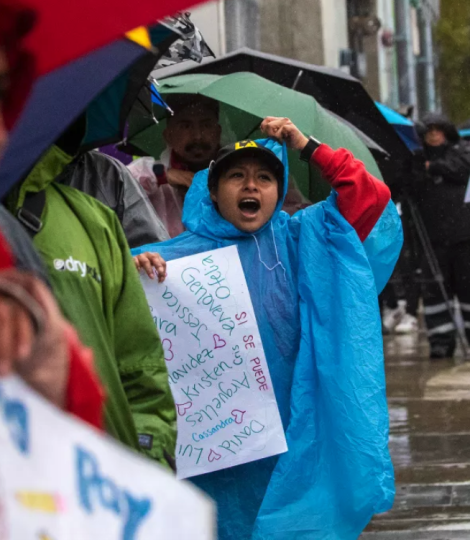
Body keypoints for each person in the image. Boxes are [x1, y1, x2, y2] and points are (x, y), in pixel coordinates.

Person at [133, 117, 403, 539]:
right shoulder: (171, 260)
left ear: (279, 192)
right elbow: (111, 299)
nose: (251, 187)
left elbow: (368, 198)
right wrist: (136, 271)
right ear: (212, 190)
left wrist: (306, 145)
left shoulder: (302, 242)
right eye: (236, 176)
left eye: (264, 177)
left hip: (295, 436)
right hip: (215, 447)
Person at [128, 95, 311, 238]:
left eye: (206, 125)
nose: (198, 135)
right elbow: (122, 187)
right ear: (168, 135)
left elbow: (294, 213)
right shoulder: (152, 173)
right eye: (185, 126)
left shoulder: (256, 170)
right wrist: (165, 176)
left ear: (218, 131)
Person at [414, 113, 470, 358]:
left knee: (467, 288)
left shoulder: (461, 151)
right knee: (435, 292)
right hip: (432, 239)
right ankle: (440, 340)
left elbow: (460, 169)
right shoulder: (416, 160)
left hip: (464, 236)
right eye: (428, 131)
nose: (434, 135)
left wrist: (433, 167)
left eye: (438, 129)